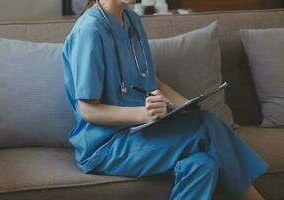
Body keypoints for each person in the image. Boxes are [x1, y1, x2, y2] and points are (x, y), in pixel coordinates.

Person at [61, 0, 269, 199]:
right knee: (207, 124)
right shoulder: (89, 30)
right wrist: (143, 114)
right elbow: (88, 110)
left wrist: (187, 106)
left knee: (202, 164)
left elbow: (154, 83)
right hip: (105, 147)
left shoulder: (132, 21)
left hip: (141, 133)